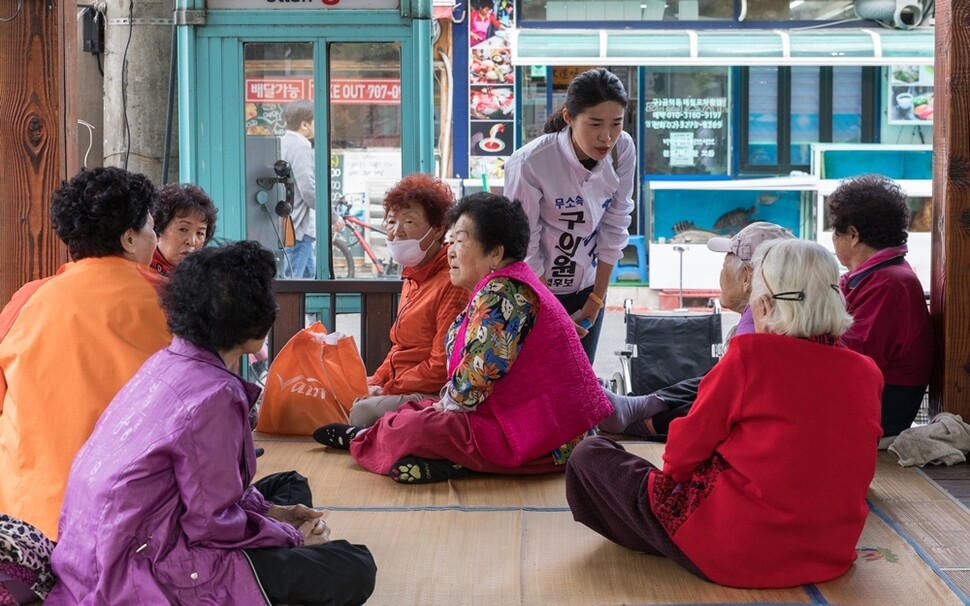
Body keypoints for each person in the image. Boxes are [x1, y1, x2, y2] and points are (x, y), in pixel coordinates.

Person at [46, 241, 377, 606]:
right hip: (144, 570)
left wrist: (278, 515)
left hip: (96, 559)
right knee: (354, 564)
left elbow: (209, 493)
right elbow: (212, 524)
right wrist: (291, 537)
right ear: (250, 314)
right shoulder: (215, 395)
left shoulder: (166, 361)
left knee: (288, 485)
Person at [566, 239, 883, 589]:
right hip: (829, 553)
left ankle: (670, 542)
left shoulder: (751, 356)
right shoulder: (867, 372)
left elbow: (680, 456)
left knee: (590, 456)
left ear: (763, 305)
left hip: (740, 552)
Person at [313, 193, 612, 484]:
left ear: (494, 252)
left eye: (460, 240)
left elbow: (473, 381)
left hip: (548, 437)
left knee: (419, 426)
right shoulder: (498, 286)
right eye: (451, 241)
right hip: (515, 416)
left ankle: (368, 439)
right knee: (416, 413)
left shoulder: (503, 292)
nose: (451, 251)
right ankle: (429, 455)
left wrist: (440, 408)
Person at [0, 167, 171, 539]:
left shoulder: (27, 301)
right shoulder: (175, 304)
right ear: (129, 238)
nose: (155, 238)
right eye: (151, 228)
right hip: (137, 531)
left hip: (29, 533)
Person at [599, 221, 793, 437]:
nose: (720, 273)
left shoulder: (757, 327)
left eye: (724, 262)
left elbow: (724, 407)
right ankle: (638, 409)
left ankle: (641, 419)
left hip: (733, 435)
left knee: (718, 387)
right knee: (712, 379)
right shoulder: (785, 313)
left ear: (747, 277)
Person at [503, 67, 635, 363]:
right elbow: (525, 245)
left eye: (616, 123)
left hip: (589, 290)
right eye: (595, 124)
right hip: (538, 292)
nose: (607, 136)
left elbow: (616, 222)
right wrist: (550, 311)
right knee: (541, 383)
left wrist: (596, 299)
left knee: (579, 383)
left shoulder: (622, 149)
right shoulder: (530, 163)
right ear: (569, 118)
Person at [348, 174, 470, 427]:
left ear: (438, 228)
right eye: (391, 221)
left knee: (362, 413)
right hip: (401, 384)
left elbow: (440, 367)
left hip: (432, 392)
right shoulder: (413, 275)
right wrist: (373, 383)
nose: (396, 231)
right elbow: (398, 349)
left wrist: (388, 389)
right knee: (340, 394)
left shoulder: (452, 281)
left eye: (409, 221)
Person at [828, 174, 933, 442]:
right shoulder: (884, 275)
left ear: (852, 235)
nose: (833, 239)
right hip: (871, 399)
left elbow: (851, 356)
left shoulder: (891, 283)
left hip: (880, 409)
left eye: (835, 232)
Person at [279, 99, 345, 278]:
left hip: (288, 223)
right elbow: (308, 189)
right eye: (317, 121)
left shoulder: (283, 142)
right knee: (294, 283)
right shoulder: (300, 146)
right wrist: (332, 215)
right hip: (299, 226)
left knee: (311, 278)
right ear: (304, 124)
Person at [149, 182, 218, 276]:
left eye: (200, 233)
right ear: (158, 230)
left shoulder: (208, 276)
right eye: (183, 229)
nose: (192, 241)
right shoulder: (142, 272)